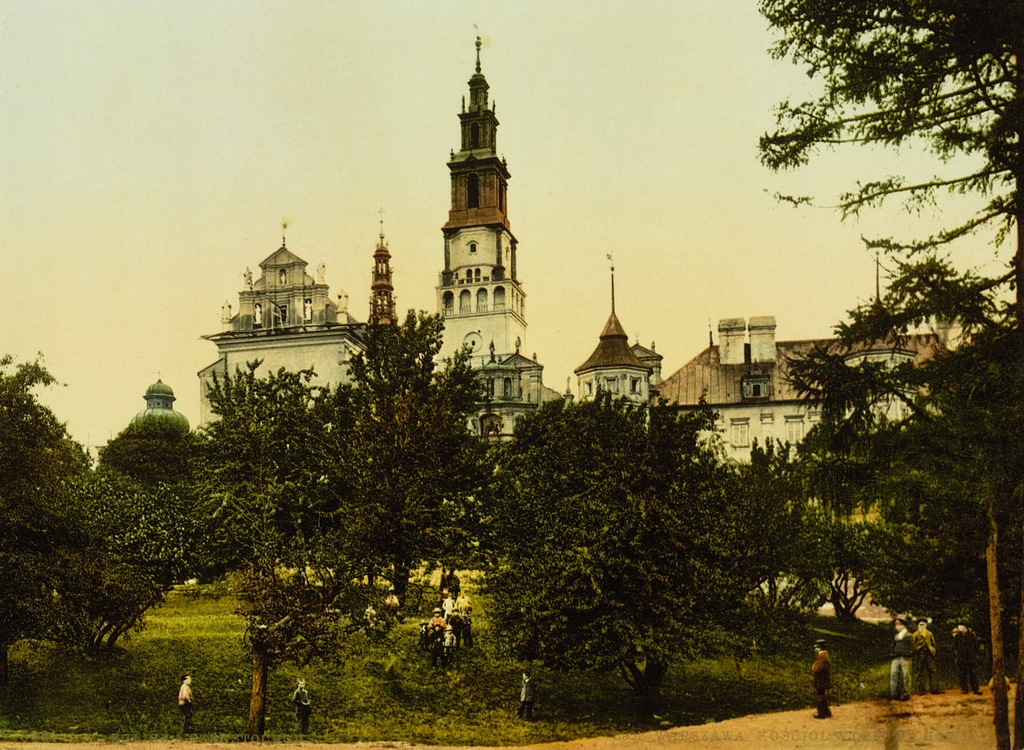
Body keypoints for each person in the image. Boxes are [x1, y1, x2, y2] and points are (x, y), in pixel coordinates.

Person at [912, 617, 942, 694]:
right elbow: (912, 645)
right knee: (920, 672)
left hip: (929, 654)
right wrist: (917, 650)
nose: (922, 626)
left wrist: (932, 649)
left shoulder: (929, 633)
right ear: (918, 626)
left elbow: (933, 643)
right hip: (920, 654)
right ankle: (921, 690)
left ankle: (934, 689)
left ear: (926, 625)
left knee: (932, 670)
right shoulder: (915, 634)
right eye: (920, 625)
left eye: (923, 624)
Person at [952, 623, 983, 695]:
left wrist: (973, 653)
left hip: (970, 658)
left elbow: (976, 645)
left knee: (973, 674)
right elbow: (954, 646)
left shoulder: (971, 635)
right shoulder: (957, 636)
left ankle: (975, 688)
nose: (959, 628)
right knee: (962, 674)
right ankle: (964, 689)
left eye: (961, 626)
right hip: (961, 658)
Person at [890, 617, 913, 700]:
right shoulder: (896, 636)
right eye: (896, 624)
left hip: (905, 657)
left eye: (899, 624)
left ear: (904, 625)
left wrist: (908, 654)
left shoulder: (909, 635)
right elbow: (893, 645)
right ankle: (894, 694)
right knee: (893, 674)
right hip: (896, 657)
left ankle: (906, 693)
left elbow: (912, 647)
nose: (897, 626)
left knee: (906, 675)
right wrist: (892, 653)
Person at [811, 639, 832, 718]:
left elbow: (817, 668)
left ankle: (821, 713)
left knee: (820, 695)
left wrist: (814, 671)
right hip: (825, 679)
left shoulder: (821, 657)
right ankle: (826, 711)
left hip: (820, 679)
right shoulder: (826, 656)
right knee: (824, 694)